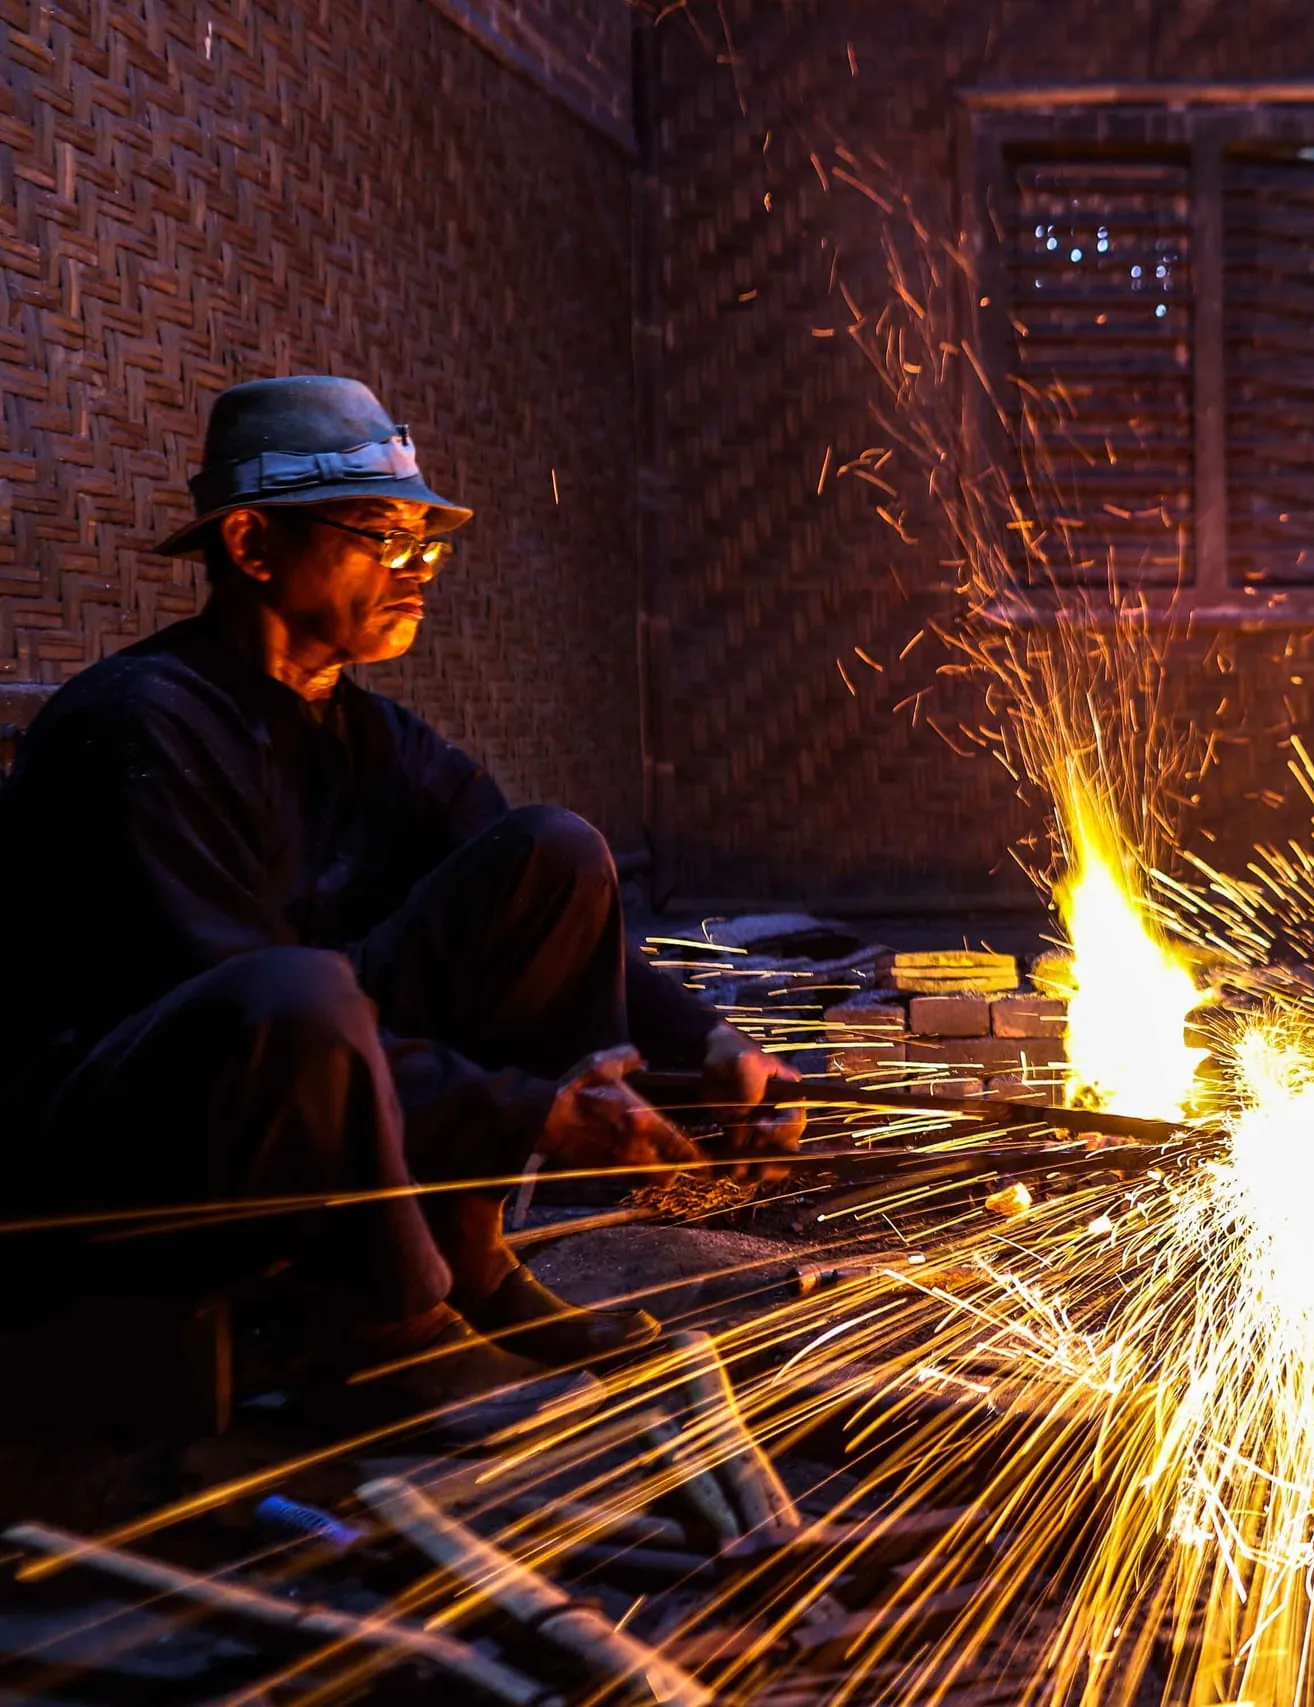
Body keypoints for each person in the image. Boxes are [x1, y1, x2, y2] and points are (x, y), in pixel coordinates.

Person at [0, 376, 801, 1424]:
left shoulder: (369, 738)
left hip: (302, 1056)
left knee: (551, 852)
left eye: (428, 546)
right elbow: (240, 1006)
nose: (418, 573)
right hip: (118, 1148)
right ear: (250, 546)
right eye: (385, 539)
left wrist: (709, 1045)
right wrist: (530, 1114)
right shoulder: (141, 728)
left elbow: (545, 904)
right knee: (298, 990)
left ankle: (467, 1254)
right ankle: (379, 1324)